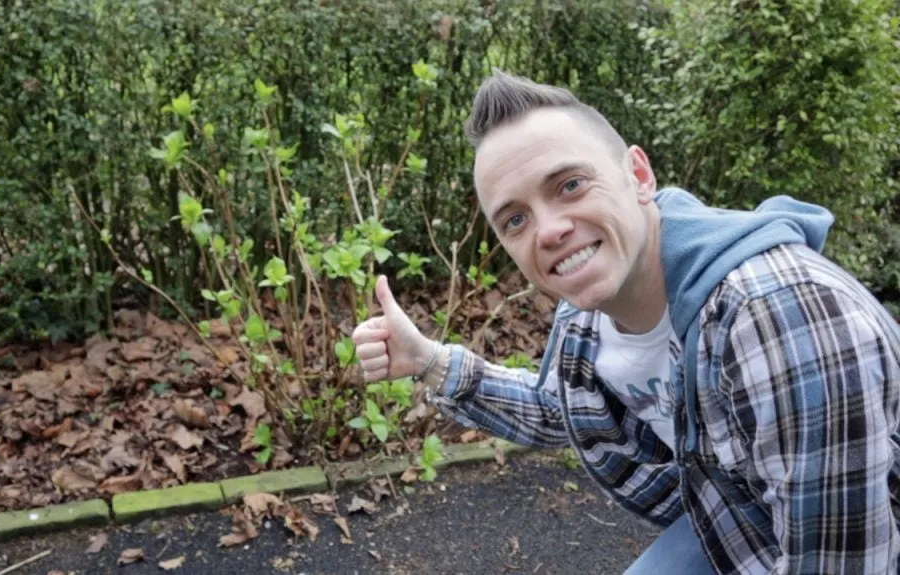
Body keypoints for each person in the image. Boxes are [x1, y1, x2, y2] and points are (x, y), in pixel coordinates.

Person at [351, 70, 900, 574]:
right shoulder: (589, 317)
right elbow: (565, 408)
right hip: (740, 514)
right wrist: (428, 361)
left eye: (568, 185)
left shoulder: (779, 318)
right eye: (515, 219)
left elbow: (841, 561)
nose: (547, 231)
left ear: (639, 175)